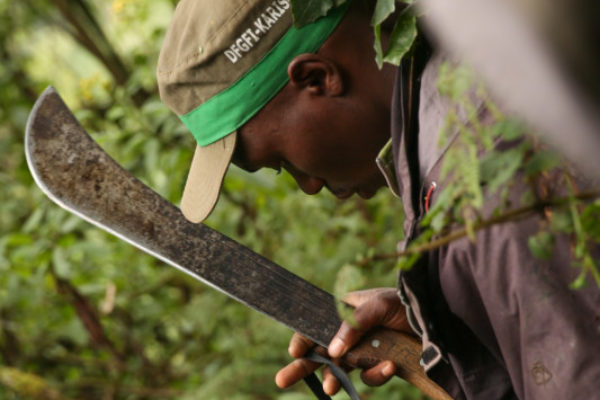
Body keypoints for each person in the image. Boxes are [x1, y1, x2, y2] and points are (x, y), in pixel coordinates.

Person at [157, 0, 600, 399]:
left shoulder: (479, 184)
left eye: (282, 163)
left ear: (317, 78)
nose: (308, 186)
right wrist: (450, 316)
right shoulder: (466, 86)